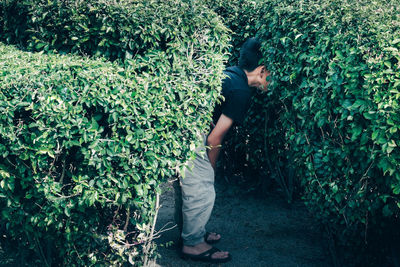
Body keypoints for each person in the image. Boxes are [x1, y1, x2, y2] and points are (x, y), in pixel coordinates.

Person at [174, 37, 270, 264]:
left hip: (183, 127)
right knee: (202, 188)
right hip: (192, 134)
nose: (271, 82)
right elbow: (215, 137)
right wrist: (211, 166)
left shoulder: (232, 74)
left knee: (190, 188)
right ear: (261, 70)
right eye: (271, 75)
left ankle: (192, 232)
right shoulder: (241, 92)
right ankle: (193, 244)